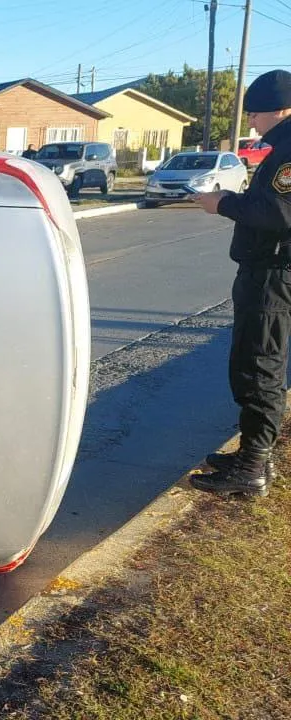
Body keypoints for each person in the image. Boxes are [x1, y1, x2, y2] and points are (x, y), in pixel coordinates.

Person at [190, 69, 291, 498]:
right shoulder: (282, 145)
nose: (250, 122)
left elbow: (278, 213)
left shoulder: (288, 150)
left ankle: (252, 466)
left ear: (279, 110)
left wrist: (221, 204)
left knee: (259, 367)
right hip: (266, 271)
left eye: (255, 114)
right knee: (252, 363)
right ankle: (253, 456)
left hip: (272, 275)